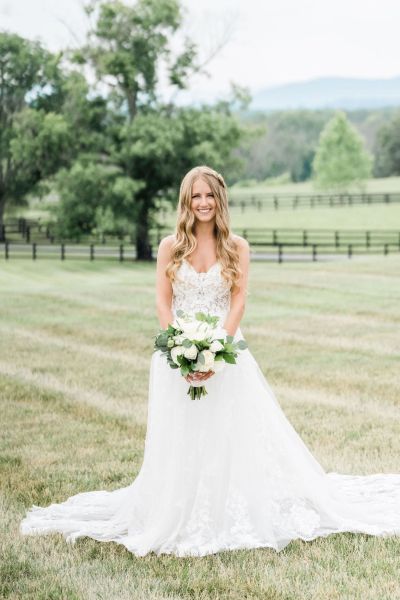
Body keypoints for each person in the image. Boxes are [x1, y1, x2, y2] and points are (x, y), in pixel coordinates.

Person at [20, 165, 400, 557]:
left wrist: (218, 349)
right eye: (195, 196)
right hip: (177, 354)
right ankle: (180, 503)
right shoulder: (171, 246)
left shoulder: (238, 247)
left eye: (209, 195)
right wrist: (177, 349)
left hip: (226, 351)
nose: (203, 203)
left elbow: (238, 300)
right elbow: (162, 302)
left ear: (220, 199)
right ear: (186, 202)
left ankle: (227, 502)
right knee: (182, 433)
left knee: (228, 431)